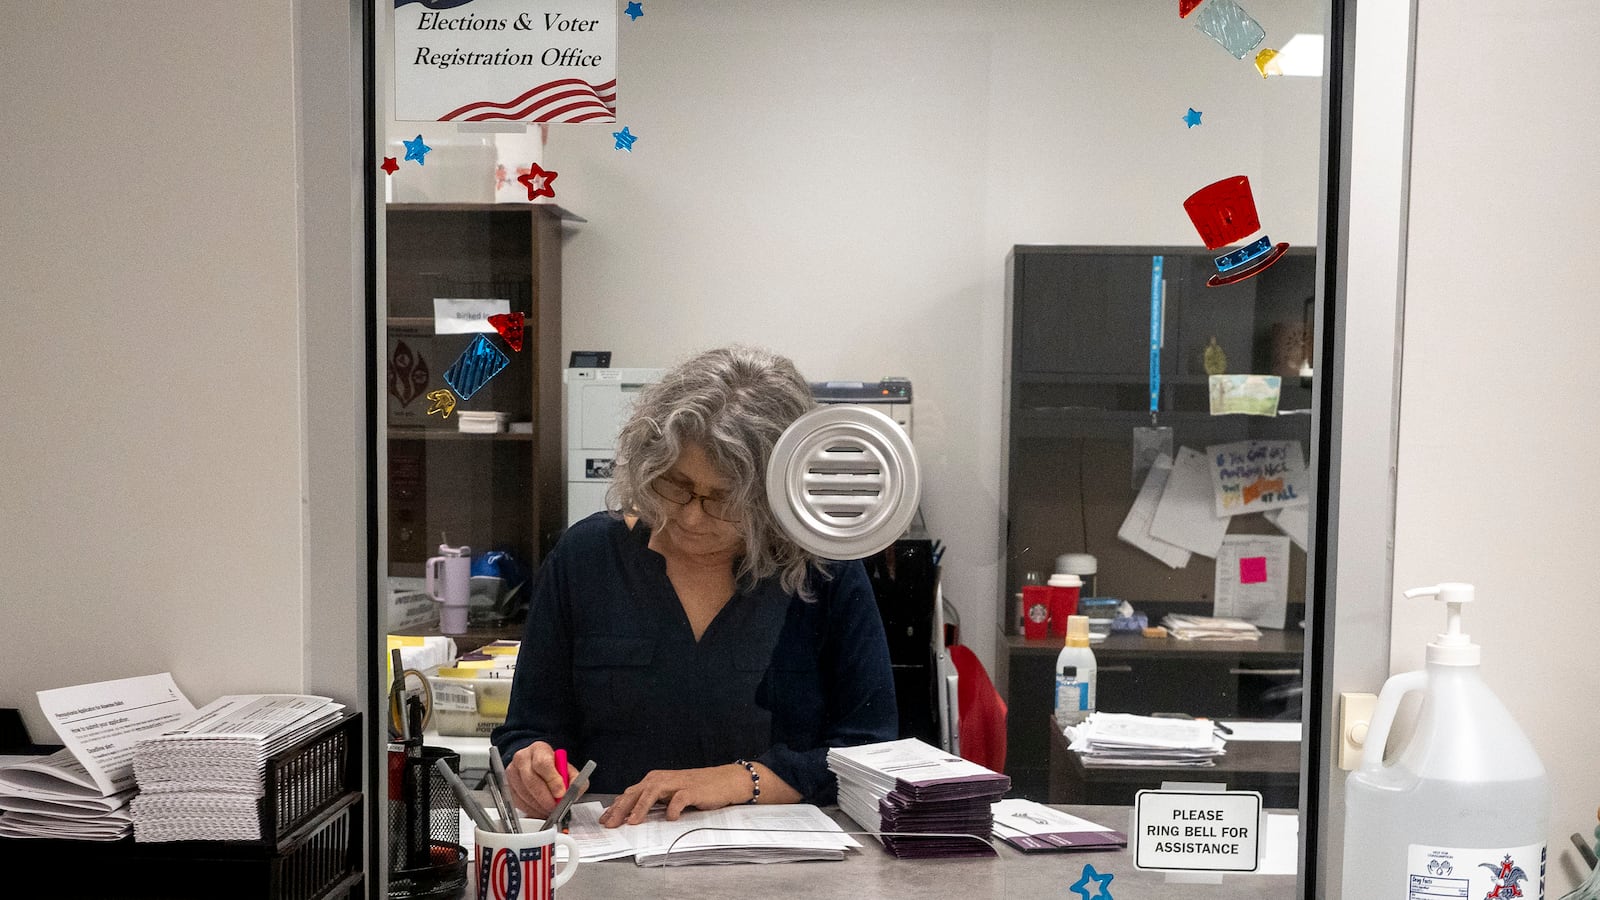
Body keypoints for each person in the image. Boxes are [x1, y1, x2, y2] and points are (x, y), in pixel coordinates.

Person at [492, 345, 898, 827]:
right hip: (612, 847)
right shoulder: (587, 559)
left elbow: (871, 748)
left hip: (785, 854)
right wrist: (531, 764)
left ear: (775, 496)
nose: (690, 517)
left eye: (723, 499)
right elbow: (528, 730)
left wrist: (741, 780)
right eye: (676, 485)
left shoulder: (824, 570)